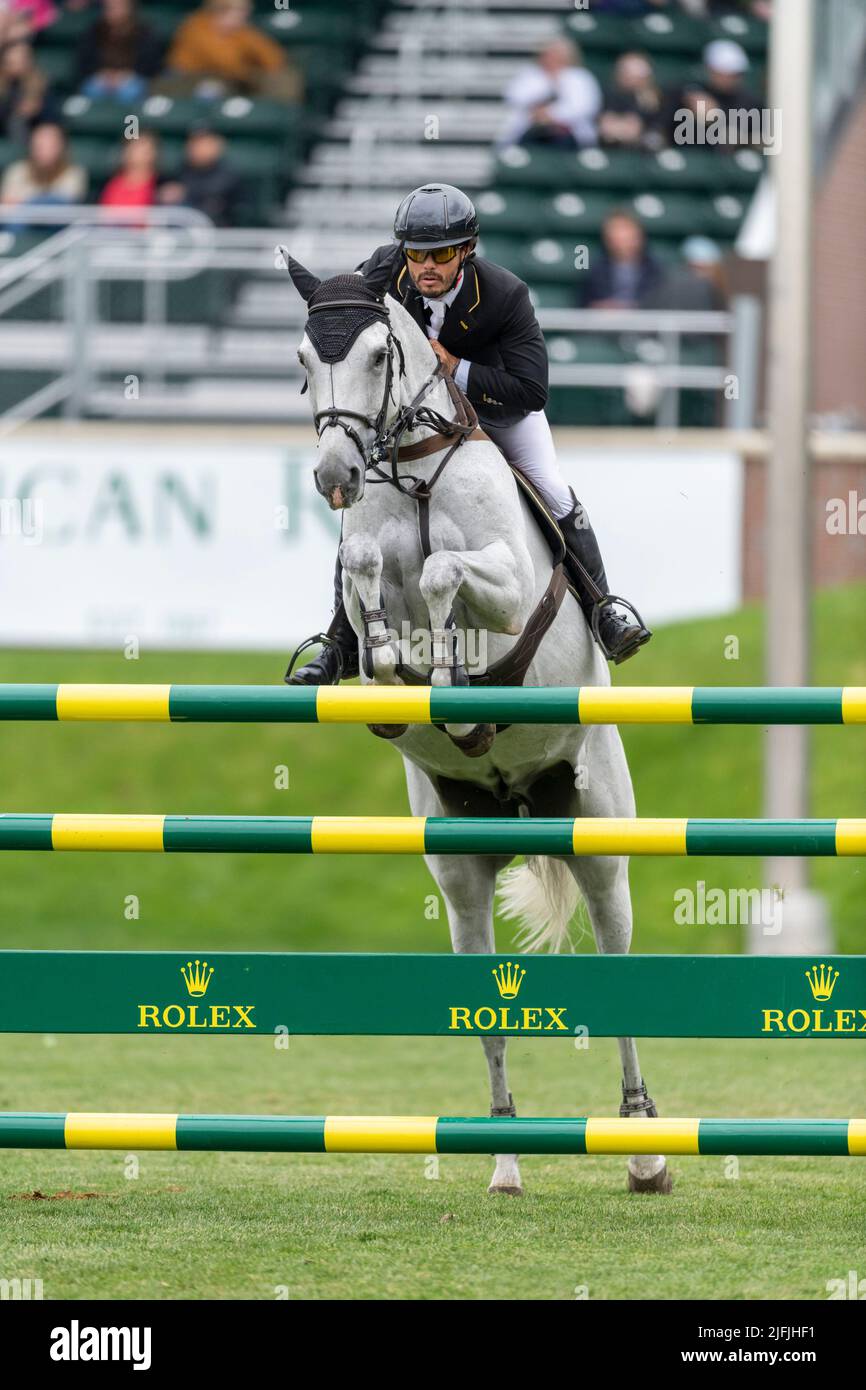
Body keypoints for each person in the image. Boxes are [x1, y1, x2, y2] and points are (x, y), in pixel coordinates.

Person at [288, 183, 652, 686]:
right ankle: (341, 643)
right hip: (416, 421)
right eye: (416, 254)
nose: (426, 267)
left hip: (497, 411)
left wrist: (455, 367)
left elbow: (531, 390)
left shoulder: (504, 295)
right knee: (363, 511)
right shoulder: (383, 270)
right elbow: (343, 315)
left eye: (440, 254)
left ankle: (603, 610)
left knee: (551, 488)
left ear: (466, 251)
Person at [162, 0, 301, 102]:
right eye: (239, 12)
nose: (244, 17)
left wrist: (247, 36)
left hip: (229, 78)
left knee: (282, 77)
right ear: (220, 11)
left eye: (245, 12)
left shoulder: (241, 33)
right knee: (211, 89)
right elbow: (224, 62)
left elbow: (275, 59)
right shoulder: (196, 26)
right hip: (186, 80)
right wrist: (248, 72)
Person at [500, 38, 602, 151]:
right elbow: (515, 98)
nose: (552, 58)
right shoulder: (530, 74)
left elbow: (583, 108)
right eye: (548, 54)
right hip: (530, 129)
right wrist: (539, 110)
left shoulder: (580, 77)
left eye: (557, 54)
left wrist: (551, 114)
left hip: (569, 134)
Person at [75, 0, 165, 104]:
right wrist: (103, 74)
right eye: (108, 8)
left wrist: (126, 75)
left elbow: (151, 65)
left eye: (117, 7)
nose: (111, 11)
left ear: (129, 9)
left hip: (133, 77)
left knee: (129, 91)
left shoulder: (144, 33)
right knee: (92, 89)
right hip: (101, 77)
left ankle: (129, 119)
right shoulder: (94, 31)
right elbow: (83, 63)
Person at [0, 120, 87, 228]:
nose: (44, 151)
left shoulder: (74, 172)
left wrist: (26, 203)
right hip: (21, 228)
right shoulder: (17, 170)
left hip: (56, 228)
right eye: (39, 146)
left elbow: (62, 205)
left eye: (50, 146)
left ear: (61, 147)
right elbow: (6, 207)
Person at [156, 122, 243, 226]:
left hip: (219, 235)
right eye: (194, 142)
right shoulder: (178, 172)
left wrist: (185, 194)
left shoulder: (230, 176)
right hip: (181, 234)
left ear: (218, 145)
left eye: (205, 143)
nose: (199, 148)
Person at [578, 210, 662, 308]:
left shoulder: (656, 271)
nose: (622, 238)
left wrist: (631, 307)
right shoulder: (593, 272)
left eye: (627, 231)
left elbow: (660, 304)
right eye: (616, 232)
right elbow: (582, 305)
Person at [598, 52, 663, 151]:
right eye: (628, 73)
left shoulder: (654, 99)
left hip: (643, 152)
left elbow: (653, 133)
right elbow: (607, 129)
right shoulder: (609, 94)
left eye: (638, 75)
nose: (633, 78)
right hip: (610, 149)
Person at [0, 38, 58, 142]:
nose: (16, 66)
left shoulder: (42, 84)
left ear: (29, 61)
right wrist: (12, 110)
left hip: (34, 139)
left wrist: (37, 111)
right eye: (11, 62)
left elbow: (53, 119)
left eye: (20, 61)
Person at [98, 128, 162, 218]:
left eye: (145, 147)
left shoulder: (162, 185)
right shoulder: (111, 184)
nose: (142, 152)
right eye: (135, 146)